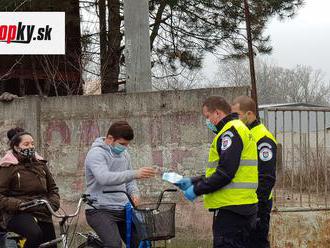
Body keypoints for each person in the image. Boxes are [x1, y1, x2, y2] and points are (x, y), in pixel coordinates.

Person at [176, 96, 258, 248]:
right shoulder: (239, 129)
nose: (207, 122)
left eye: (208, 117)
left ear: (218, 113)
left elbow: (225, 173)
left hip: (232, 211)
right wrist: (194, 180)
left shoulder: (230, 133)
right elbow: (225, 170)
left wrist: (197, 189)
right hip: (242, 208)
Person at [84, 121, 157, 248]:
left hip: (123, 208)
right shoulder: (96, 154)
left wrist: (134, 193)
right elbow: (104, 178)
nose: (124, 147)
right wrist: (134, 173)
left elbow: (129, 181)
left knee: (143, 243)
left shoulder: (124, 154)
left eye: (127, 144)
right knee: (114, 245)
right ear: (110, 138)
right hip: (99, 209)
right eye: (122, 144)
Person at [0, 127, 60, 248]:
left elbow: (53, 188)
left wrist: (53, 203)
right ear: (16, 147)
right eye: (26, 144)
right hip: (19, 213)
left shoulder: (41, 165)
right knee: (35, 234)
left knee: (51, 243)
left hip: (42, 211)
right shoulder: (8, 167)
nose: (30, 147)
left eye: (32, 144)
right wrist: (18, 204)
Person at [232, 96, 277, 248]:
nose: (234, 119)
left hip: (258, 204)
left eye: (237, 115)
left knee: (257, 243)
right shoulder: (245, 134)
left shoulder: (263, 138)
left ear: (249, 114)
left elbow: (267, 177)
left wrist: (257, 208)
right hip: (246, 203)